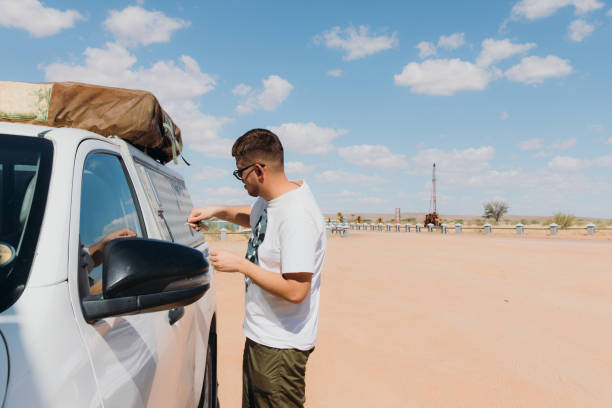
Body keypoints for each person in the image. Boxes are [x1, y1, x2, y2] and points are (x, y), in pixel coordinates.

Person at [188, 128, 326, 408]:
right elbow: (254, 217)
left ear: (259, 170)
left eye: (241, 173)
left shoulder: (297, 216)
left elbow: (297, 289)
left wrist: (240, 265)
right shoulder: (272, 202)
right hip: (262, 337)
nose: (240, 180)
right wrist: (218, 211)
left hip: (281, 348)